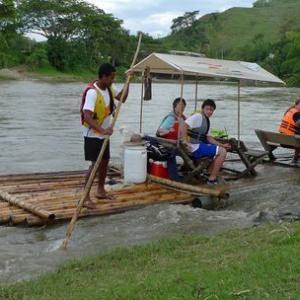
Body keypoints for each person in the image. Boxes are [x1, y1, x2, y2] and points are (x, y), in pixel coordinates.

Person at [80, 63, 130, 208]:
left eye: (114, 77)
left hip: (104, 134)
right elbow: (87, 116)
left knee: (105, 162)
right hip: (92, 134)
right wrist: (102, 130)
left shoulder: (109, 88)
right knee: (94, 165)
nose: (113, 80)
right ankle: (85, 197)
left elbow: (123, 98)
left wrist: (129, 81)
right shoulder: (92, 92)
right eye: (111, 77)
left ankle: (100, 190)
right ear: (103, 76)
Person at [183, 99, 230, 185]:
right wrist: (185, 142)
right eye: (207, 109)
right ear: (202, 109)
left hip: (198, 145)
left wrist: (221, 145)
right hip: (193, 147)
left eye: (211, 110)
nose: (209, 111)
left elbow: (209, 138)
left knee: (221, 149)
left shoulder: (206, 120)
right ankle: (212, 179)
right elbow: (184, 125)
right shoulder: (198, 116)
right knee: (222, 152)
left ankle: (208, 173)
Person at [155, 97, 187, 181]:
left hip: (179, 143)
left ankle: (187, 169)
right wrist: (168, 130)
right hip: (167, 143)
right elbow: (159, 131)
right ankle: (174, 176)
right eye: (180, 105)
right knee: (172, 153)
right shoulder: (171, 118)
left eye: (184, 106)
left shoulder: (183, 118)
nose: (182, 108)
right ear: (174, 106)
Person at [278, 96, 300, 163]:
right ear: (298, 104)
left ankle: (295, 158)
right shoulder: (297, 113)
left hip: (283, 141)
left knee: (297, 136)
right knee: (298, 139)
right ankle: (295, 158)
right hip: (292, 143)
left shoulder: (289, 111)